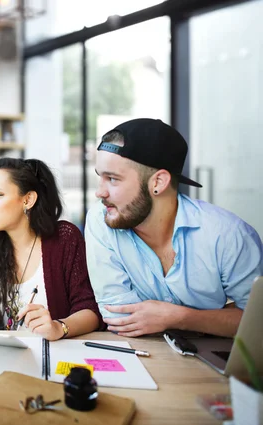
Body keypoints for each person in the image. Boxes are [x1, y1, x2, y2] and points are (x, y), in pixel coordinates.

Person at [85, 118, 263, 338]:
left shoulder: (229, 236)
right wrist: (215, 318)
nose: (99, 192)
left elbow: (256, 323)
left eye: (112, 179)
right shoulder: (101, 221)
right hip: (142, 354)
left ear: (158, 182)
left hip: (214, 365)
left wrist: (180, 317)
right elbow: (120, 319)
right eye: (100, 178)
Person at [0, 158, 102, 354]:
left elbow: (89, 309)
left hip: (53, 357)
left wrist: (59, 327)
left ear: (28, 200)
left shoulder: (65, 238)